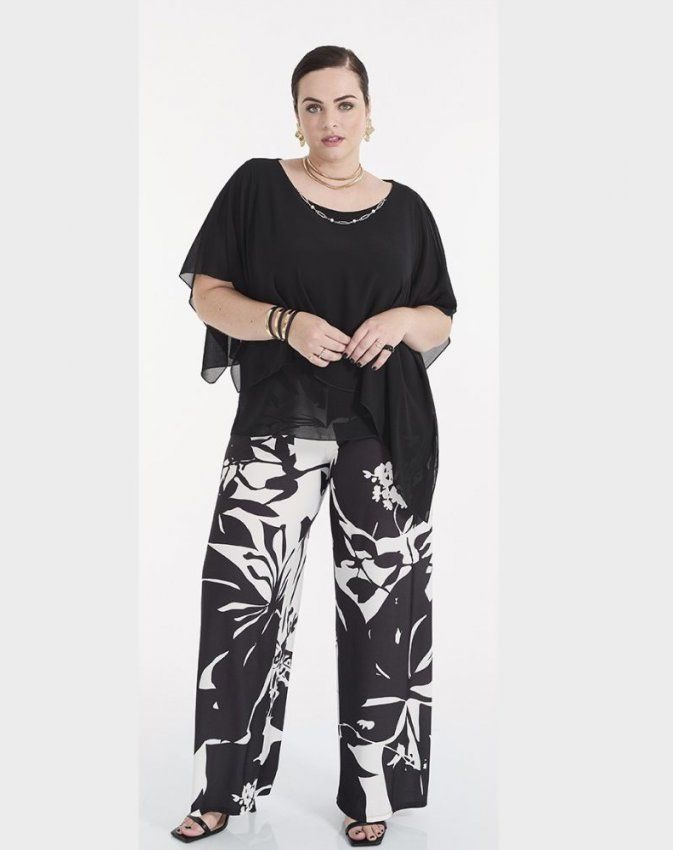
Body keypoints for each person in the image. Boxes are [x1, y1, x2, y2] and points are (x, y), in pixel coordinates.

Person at [171, 45, 457, 846]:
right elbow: (208, 295)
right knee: (242, 602)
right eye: (313, 105)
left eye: (344, 103)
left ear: (369, 112)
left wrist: (402, 320)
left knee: (382, 609)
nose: (330, 120)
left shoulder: (408, 210)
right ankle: (221, 791)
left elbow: (440, 315)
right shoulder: (257, 187)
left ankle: (371, 792)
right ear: (296, 116)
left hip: (384, 431)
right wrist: (284, 323)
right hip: (277, 425)